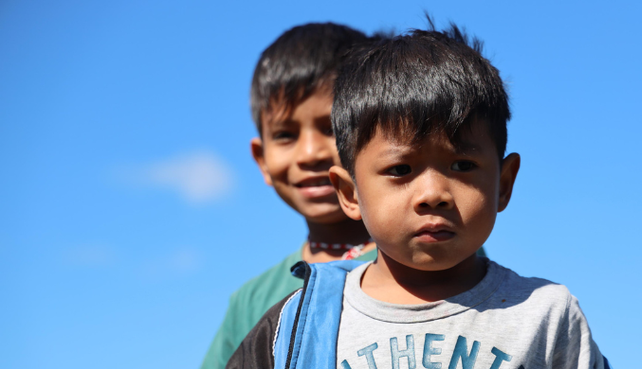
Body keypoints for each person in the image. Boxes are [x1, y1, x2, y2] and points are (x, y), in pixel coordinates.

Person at [227, 23, 605, 369]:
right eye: (401, 170)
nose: (433, 194)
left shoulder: (548, 315)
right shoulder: (295, 327)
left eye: (461, 166)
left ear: (503, 183)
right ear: (350, 192)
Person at [199, 23, 376, 369]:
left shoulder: (434, 255)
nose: (309, 153)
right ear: (262, 160)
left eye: (332, 128)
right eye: (285, 135)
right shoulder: (251, 302)